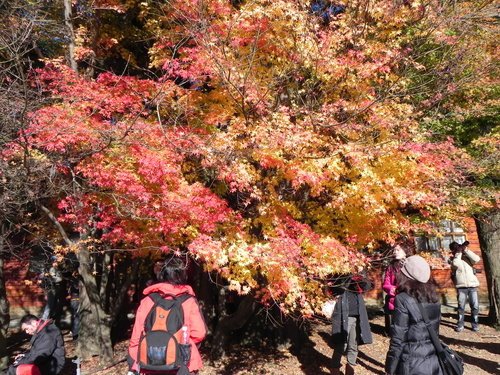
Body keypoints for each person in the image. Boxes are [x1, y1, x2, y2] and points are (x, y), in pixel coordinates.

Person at [127, 256, 207, 374]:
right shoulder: (188, 301)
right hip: (183, 363)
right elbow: (199, 333)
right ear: (183, 275)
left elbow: (137, 335)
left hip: (150, 362)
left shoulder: (148, 300)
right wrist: (180, 342)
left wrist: (133, 363)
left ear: (162, 275)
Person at [385, 255, 443, 375]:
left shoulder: (402, 299)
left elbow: (397, 339)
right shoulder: (434, 298)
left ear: (405, 275)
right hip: (433, 361)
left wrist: (390, 367)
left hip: (411, 363)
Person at [330, 273, 373, 375]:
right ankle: (334, 370)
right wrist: (348, 278)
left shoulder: (360, 271)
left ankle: (350, 371)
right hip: (343, 315)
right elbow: (336, 289)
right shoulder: (339, 271)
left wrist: (361, 278)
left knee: (353, 346)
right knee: (341, 345)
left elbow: (367, 287)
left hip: (357, 315)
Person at [382, 243, 415, 335]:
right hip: (394, 300)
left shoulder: (411, 265)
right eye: (394, 250)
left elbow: (413, 283)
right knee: (396, 328)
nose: (395, 252)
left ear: (405, 252)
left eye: (398, 250)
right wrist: (394, 290)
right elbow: (386, 284)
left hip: (408, 299)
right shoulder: (391, 266)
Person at [449, 240, 481, 332]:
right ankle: (460, 324)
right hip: (461, 286)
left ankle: (475, 324)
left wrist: (466, 250)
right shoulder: (453, 259)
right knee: (461, 307)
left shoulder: (467, 257)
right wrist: (458, 253)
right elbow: (456, 264)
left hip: (472, 285)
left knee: (475, 306)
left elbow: (477, 259)